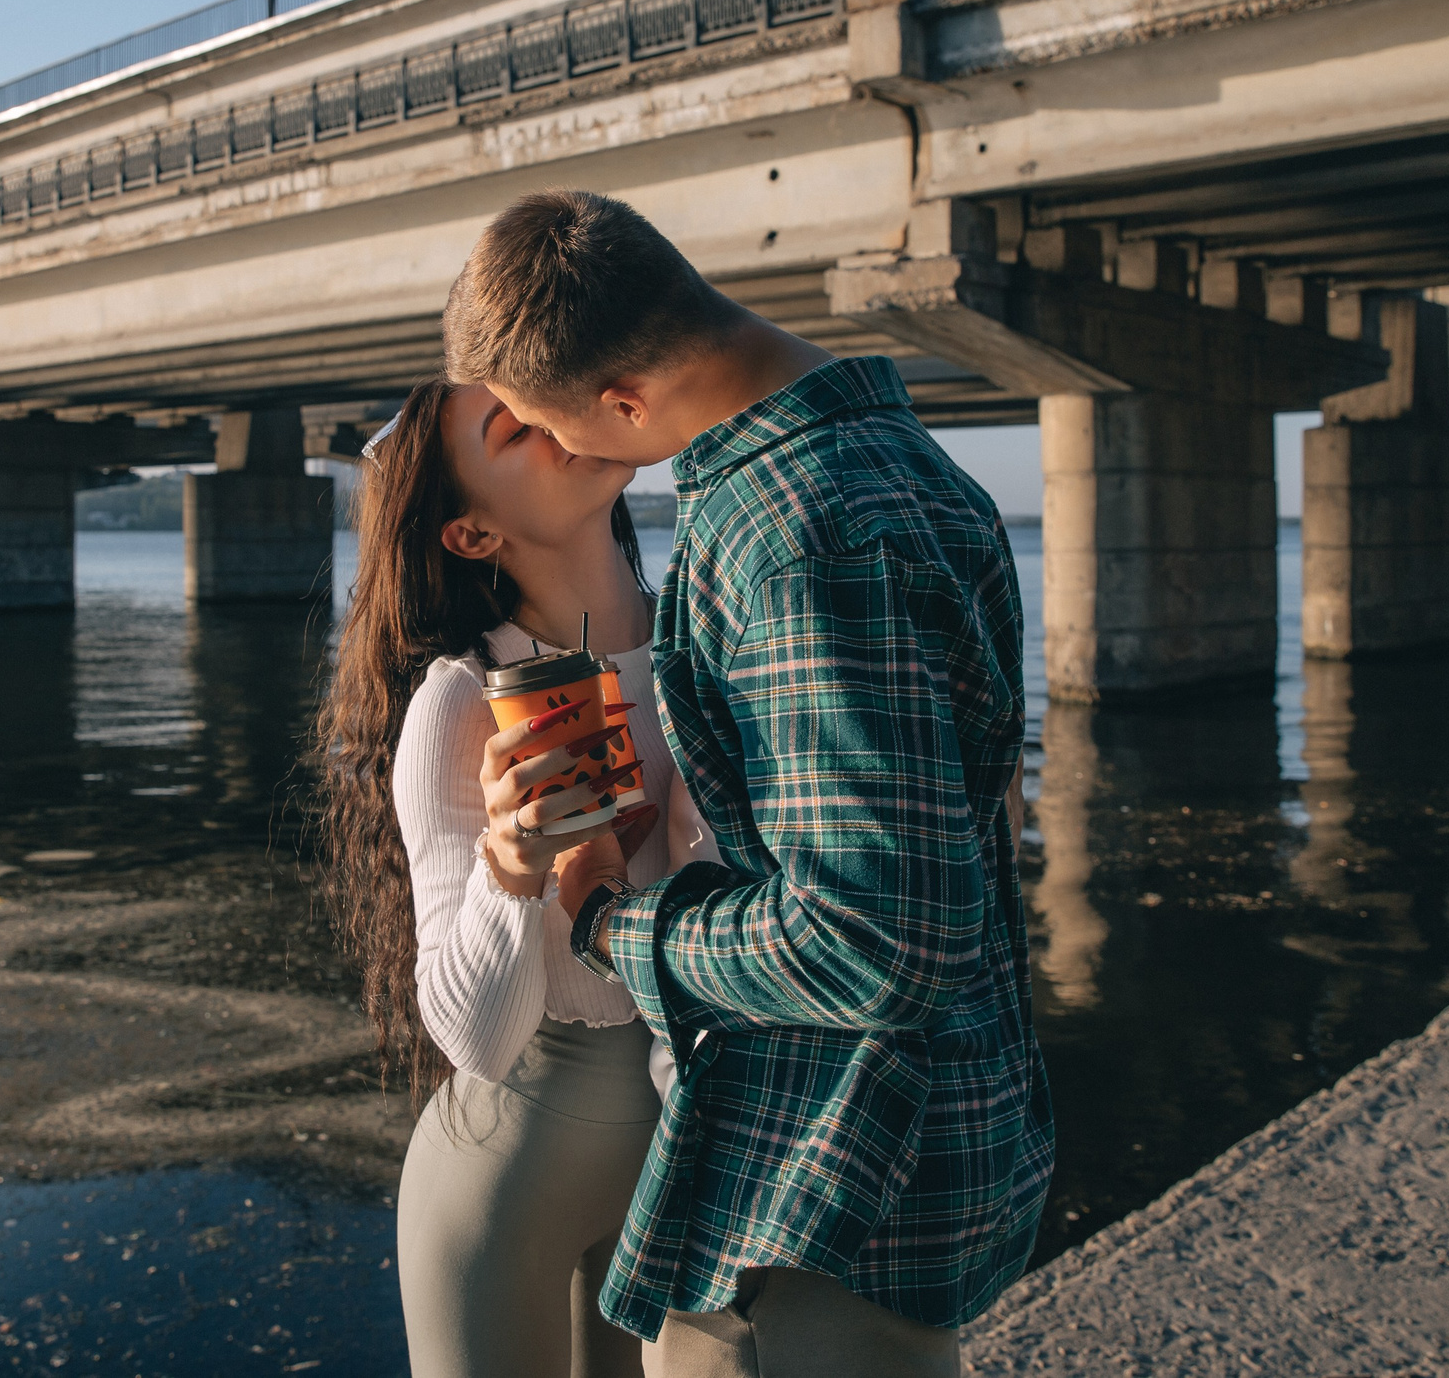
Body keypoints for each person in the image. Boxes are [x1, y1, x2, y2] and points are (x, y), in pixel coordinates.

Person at [442, 190, 1052, 1378]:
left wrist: (619, 927)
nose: (560, 453)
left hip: (823, 1177)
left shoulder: (793, 534)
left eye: (548, 424)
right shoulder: (899, 461)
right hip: (902, 1148)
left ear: (624, 402)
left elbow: (878, 938)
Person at [311, 374, 719, 1378]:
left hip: (687, 1150)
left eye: (549, 397)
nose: (555, 417)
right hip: (503, 1179)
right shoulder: (461, 703)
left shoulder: (710, 655)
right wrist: (510, 864)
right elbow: (476, 1041)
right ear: (472, 535)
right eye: (514, 426)